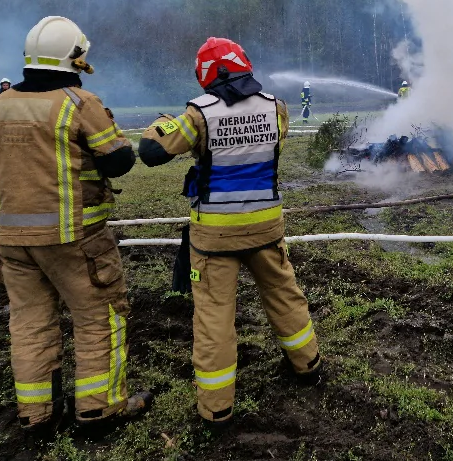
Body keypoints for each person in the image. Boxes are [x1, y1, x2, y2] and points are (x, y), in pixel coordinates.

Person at [138, 37, 322, 429]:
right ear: (243, 64)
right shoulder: (276, 107)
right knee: (284, 295)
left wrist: (162, 123)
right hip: (266, 227)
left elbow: (151, 152)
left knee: (214, 316)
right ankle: (308, 364)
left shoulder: (198, 114)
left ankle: (217, 407)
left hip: (215, 237)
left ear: (206, 74)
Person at [0, 16, 152, 435]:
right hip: (74, 239)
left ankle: (36, 415)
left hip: (13, 240)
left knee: (30, 323)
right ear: (75, 58)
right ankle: (99, 411)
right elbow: (119, 160)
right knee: (99, 317)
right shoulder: (79, 103)